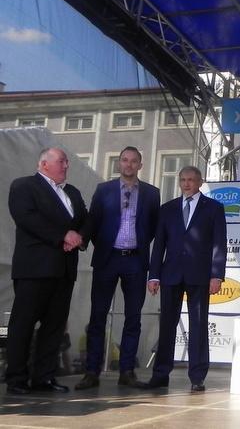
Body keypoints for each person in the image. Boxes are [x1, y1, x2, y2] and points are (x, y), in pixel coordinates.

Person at [75, 146, 160, 390]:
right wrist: (99, 244)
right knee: (98, 316)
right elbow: (94, 221)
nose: (128, 164)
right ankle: (91, 372)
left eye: (133, 161)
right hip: (108, 259)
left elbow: (152, 227)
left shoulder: (152, 193)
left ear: (140, 165)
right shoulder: (104, 190)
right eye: (124, 160)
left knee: (133, 318)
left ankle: (127, 371)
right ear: (119, 163)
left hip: (135, 260)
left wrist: (138, 246)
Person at [6, 148, 88, 394]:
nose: (66, 165)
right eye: (61, 161)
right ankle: (16, 378)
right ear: (44, 164)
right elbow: (27, 218)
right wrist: (62, 235)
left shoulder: (72, 192)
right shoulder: (24, 186)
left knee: (54, 327)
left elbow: (86, 219)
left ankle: (44, 377)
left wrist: (79, 237)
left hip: (64, 270)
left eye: (67, 161)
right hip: (35, 269)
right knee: (23, 324)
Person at [138, 166, 227, 392]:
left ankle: (197, 376)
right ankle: (160, 374)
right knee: (167, 325)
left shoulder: (214, 208)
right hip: (171, 274)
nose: (186, 184)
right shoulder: (167, 209)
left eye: (191, 180)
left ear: (200, 182)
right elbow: (159, 244)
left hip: (200, 274)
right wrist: (154, 275)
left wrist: (217, 275)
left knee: (198, 325)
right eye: (183, 180)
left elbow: (219, 243)